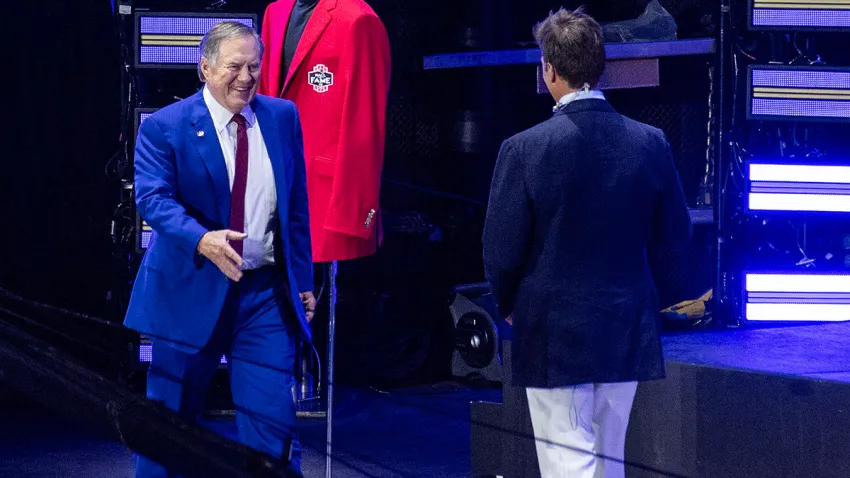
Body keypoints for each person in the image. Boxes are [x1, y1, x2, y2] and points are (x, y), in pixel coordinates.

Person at [482, 8, 693, 478]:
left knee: (567, 463)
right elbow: (676, 232)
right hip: (626, 322)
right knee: (607, 460)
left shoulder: (523, 149)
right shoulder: (650, 141)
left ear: (549, 70)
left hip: (556, 329)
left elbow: (499, 250)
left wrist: (508, 301)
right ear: (600, 66)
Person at [124, 21, 315, 477]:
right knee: (167, 427)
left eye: (254, 66)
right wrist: (201, 238)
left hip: (263, 297)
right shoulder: (167, 127)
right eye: (234, 67)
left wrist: (304, 282)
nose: (246, 78)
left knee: (273, 421)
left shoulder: (283, 117)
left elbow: (296, 208)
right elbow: (152, 197)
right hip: (188, 292)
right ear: (205, 68)